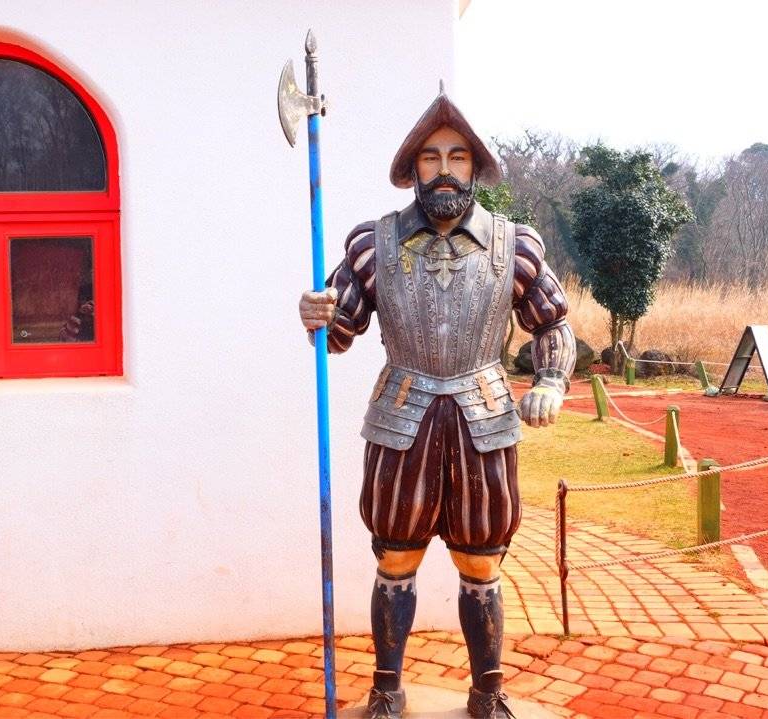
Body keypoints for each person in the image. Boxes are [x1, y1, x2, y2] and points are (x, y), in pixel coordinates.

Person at [298, 88, 575, 719]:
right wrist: (318, 315)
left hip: (484, 417)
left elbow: (553, 324)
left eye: (457, 156)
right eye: (431, 157)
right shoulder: (372, 245)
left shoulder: (515, 245)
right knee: (395, 556)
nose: (444, 169)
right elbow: (339, 334)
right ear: (414, 168)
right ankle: (386, 688)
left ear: (475, 167)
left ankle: (488, 691)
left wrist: (551, 381)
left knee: (481, 563)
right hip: (402, 416)